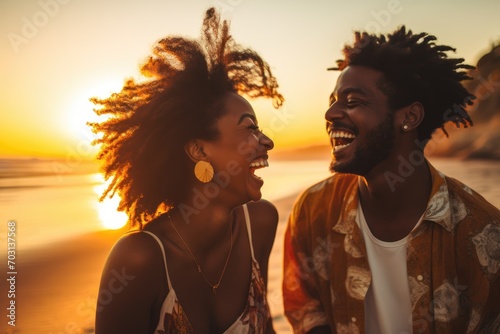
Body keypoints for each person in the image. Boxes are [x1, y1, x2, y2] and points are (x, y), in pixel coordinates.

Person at [282, 26, 500, 334]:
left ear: (409, 118)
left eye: (352, 101)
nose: (330, 112)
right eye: (333, 100)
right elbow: (304, 308)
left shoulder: (485, 234)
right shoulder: (312, 211)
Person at [90, 7, 284, 334]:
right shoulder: (139, 260)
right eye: (249, 129)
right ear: (198, 150)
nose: (267, 141)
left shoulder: (261, 224)